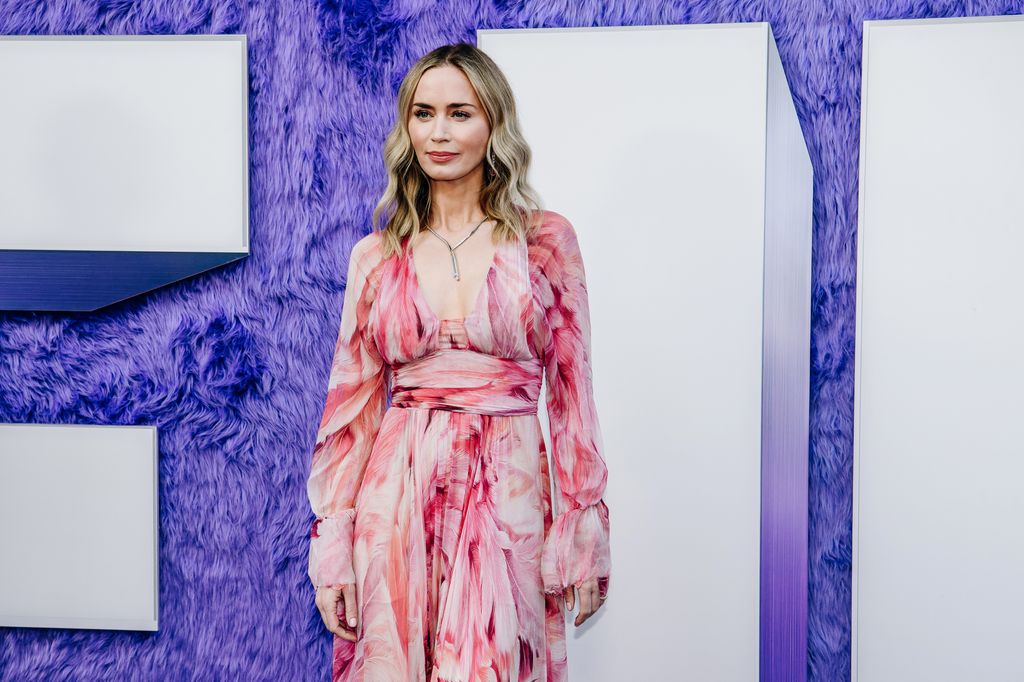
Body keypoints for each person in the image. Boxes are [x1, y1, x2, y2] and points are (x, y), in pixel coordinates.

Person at [306, 42, 611, 681]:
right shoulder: (375, 256)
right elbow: (350, 411)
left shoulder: (545, 242)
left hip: (511, 491)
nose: (438, 132)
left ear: (493, 123)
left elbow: (571, 392)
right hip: (395, 496)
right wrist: (334, 543)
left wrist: (582, 525)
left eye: (459, 113)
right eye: (423, 113)